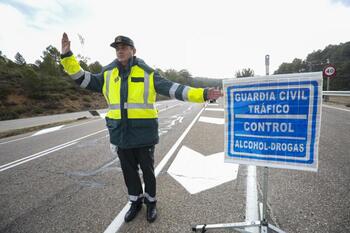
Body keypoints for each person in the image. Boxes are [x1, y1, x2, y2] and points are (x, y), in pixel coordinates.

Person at [60, 33, 222, 223]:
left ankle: (151, 203)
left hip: (143, 135)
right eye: (117, 48)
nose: (120, 50)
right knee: (129, 173)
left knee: (147, 172)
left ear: (133, 51)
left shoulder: (147, 72)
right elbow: (82, 79)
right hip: (120, 134)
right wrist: (67, 56)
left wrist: (202, 93)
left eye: (124, 47)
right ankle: (135, 202)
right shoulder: (107, 73)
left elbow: (174, 89)